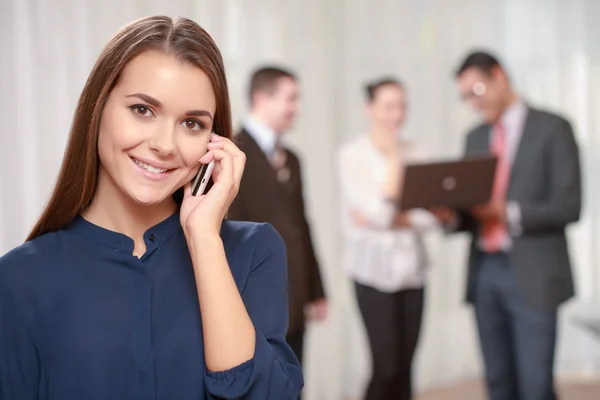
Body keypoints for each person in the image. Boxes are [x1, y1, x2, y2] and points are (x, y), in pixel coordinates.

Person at [0, 16, 303, 400]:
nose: (165, 144)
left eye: (192, 123)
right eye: (143, 110)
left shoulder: (253, 252)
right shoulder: (20, 278)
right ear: (98, 109)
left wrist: (204, 238)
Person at [436, 51, 581, 400]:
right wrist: (451, 216)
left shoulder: (553, 128)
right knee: (498, 383)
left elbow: (569, 205)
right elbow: (472, 209)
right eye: (465, 96)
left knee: (535, 384)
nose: (472, 103)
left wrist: (506, 213)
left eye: (477, 91)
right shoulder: (474, 137)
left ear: (499, 76)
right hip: (485, 271)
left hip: (533, 271)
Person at [337, 78, 437, 400]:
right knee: (386, 366)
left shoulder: (418, 151)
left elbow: (430, 216)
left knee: (407, 366)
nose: (397, 114)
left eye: (402, 106)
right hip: (372, 275)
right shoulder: (352, 155)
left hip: (413, 273)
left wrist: (390, 217)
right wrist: (394, 158)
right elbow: (378, 212)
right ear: (370, 109)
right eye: (388, 107)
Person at [228, 67, 327, 385]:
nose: (296, 107)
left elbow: (302, 226)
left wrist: (316, 289)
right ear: (261, 98)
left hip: (294, 293)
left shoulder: (293, 159)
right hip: (253, 297)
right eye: (290, 98)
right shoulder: (232, 153)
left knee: (293, 381)